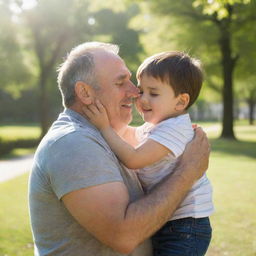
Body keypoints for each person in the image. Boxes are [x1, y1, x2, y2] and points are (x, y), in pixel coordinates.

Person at [28, 42, 210, 256]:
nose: (135, 93)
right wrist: (189, 170)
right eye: (121, 82)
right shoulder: (73, 143)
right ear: (85, 93)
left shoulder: (100, 135)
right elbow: (124, 237)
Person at [83, 51, 214, 256]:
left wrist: (104, 128)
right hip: (170, 222)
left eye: (153, 93)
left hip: (186, 227)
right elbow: (128, 135)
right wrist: (107, 119)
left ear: (180, 102)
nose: (141, 98)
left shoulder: (175, 128)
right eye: (141, 90)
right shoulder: (154, 127)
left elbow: (134, 158)